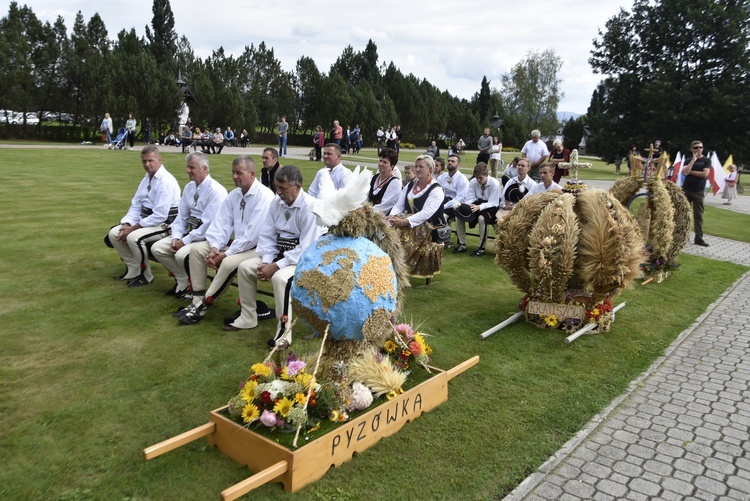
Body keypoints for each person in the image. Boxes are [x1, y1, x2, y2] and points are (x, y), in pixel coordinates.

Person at [227, 165, 322, 348]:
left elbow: (306, 247)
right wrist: (266, 262)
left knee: (280, 280)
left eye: (283, 188)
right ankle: (248, 317)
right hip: (279, 255)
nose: (278, 192)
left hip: (304, 259)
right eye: (276, 187)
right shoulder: (275, 203)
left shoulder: (310, 207)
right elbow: (267, 235)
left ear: (297, 187)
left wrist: (275, 267)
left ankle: (284, 334)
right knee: (246, 267)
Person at [177, 156, 275, 325]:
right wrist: (215, 247)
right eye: (233, 172)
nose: (235, 176)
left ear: (252, 174)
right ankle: (196, 299)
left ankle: (202, 306)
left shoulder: (264, 196)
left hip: (260, 248)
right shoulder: (234, 195)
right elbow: (221, 224)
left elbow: (252, 236)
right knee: (198, 249)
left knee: (228, 263)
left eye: (239, 173)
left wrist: (225, 254)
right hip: (238, 245)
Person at [151, 152, 228, 299]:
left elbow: (207, 225)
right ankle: (184, 281)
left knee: (181, 254)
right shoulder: (189, 188)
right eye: (187, 167)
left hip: (208, 237)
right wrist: (176, 237)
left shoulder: (216, 191)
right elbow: (181, 217)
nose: (187, 171)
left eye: (192, 168)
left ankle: (196, 289)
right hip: (190, 234)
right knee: (158, 248)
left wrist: (184, 241)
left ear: (205, 169)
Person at [106, 146, 181, 287]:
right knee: (114, 233)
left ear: (160, 159)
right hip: (148, 222)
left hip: (165, 225)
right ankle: (133, 269)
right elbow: (136, 205)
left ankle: (145, 275)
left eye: (150, 161)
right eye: (144, 161)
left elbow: (160, 215)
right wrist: (127, 224)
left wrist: (133, 229)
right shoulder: (146, 178)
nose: (147, 165)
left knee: (134, 237)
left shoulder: (165, 181)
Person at [387, 155, 447, 281]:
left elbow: (426, 213)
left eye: (421, 167)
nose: (418, 169)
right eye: (416, 166)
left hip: (430, 226)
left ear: (430, 169)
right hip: (409, 222)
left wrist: (403, 222)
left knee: (401, 234)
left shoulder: (436, 190)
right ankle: (388, 267)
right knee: (387, 229)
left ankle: (397, 269)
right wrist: (392, 217)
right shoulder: (410, 185)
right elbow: (399, 205)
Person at [454, 162, 502, 256]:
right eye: (477, 177)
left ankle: (481, 248)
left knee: (481, 218)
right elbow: (471, 198)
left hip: (491, 206)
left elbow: (494, 202)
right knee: (459, 215)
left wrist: (479, 207)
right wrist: (466, 205)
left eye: (481, 178)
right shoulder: (473, 182)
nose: (478, 180)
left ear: (486, 175)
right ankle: (462, 244)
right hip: (477, 203)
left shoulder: (494, 184)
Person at [681, 140, 711, 247]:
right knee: (684, 214)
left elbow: (704, 174)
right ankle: (683, 235)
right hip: (686, 190)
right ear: (691, 149)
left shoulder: (706, 160)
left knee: (698, 215)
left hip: (698, 191)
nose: (699, 149)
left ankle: (699, 237)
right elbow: (684, 172)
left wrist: (690, 172)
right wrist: (693, 160)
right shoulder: (688, 160)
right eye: (696, 147)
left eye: (700, 147)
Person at [437, 154, 470, 247]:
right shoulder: (442, 177)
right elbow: (436, 190)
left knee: (443, 215)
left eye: (453, 161)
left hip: (456, 205)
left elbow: (460, 198)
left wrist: (443, 206)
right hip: (443, 201)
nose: (450, 163)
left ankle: (446, 240)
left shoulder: (462, 180)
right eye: (449, 161)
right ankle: (439, 238)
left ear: (458, 165)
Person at [368, 147, 402, 215]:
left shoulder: (395, 183)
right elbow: (366, 197)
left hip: (382, 219)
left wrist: (367, 211)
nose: (381, 164)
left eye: (385, 162)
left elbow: (384, 207)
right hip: (368, 213)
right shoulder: (374, 178)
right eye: (380, 160)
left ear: (392, 166)